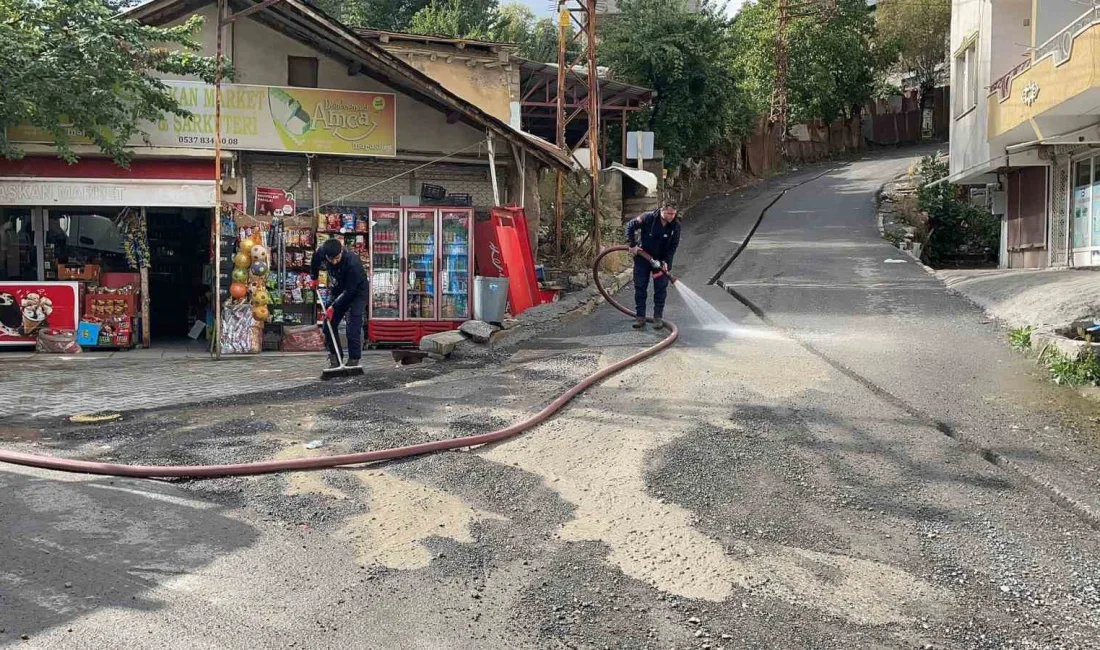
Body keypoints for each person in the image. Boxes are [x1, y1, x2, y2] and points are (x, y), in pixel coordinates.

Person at [310, 238, 368, 368]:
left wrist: (333, 306)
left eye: (337, 258)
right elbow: (314, 261)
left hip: (357, 292)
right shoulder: (321, 252)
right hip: (339, 288)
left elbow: (350, 291)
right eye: (331, 260)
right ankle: (335, 358)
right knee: (328, 324)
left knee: (353, 326)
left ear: (341, 251)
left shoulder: (353, 263)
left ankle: (353, 360)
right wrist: (314, 278)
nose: (334, 262)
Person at [625, 202, 681, 330]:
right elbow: (630, 226)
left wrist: (666, 261)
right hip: (643, 258)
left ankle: (657, 318)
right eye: (668, 213)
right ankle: (640, 317)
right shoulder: (648, 217)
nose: (671, 216)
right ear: (662, 210)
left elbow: (673, 246)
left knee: (660, 289)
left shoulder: (675, 226)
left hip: (661, 262)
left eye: (673, 213)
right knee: (640, 287)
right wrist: (632, 244)